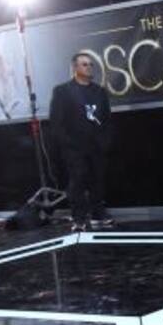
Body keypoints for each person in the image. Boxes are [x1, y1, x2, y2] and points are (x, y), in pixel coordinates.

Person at [49, 53, 113, 232]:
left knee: (97, 180)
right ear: (75, 68)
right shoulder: (62, 91)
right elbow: (56, 121)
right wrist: (67, 144)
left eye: (91, 64)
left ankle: (98, 214)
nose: (89, 67)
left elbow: (107, 118)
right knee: (77, 180)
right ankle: (78, 218)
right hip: (74, 146)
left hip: (96, 145)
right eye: (85, 64)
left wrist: (105, 141)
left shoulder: (99, 92)